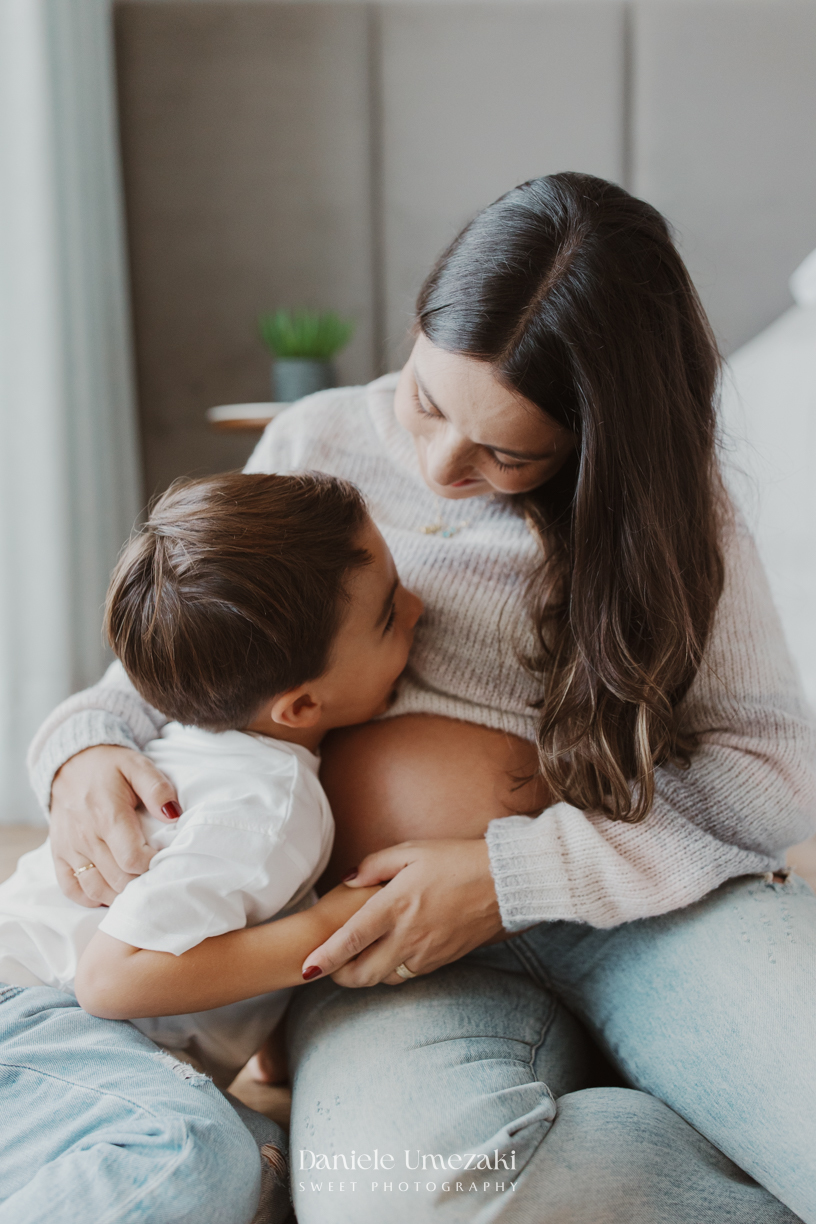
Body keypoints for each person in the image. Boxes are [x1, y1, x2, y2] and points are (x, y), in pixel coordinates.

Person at [30, 173, 816, 1222]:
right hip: (378, 954)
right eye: (427, 401)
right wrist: (80, 751)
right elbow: (169, 673)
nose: (442, 462)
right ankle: (670, 1138)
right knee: (400, 1199)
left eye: (506, 452)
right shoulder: (315, 444)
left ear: (600, 436)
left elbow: (775, 774)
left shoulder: (680, 513)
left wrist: (511, 877)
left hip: (647, 909)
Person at [2, 469, 421, 1222]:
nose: (421, 607)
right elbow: (112, 980)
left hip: (42, 1027)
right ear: (298, 706)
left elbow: (214, 922)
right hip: (39, 1019)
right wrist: (330, 928)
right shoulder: (270, 800)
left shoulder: (192, 735)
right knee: (191, 1152)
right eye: (391, 616)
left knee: (260, 1153)